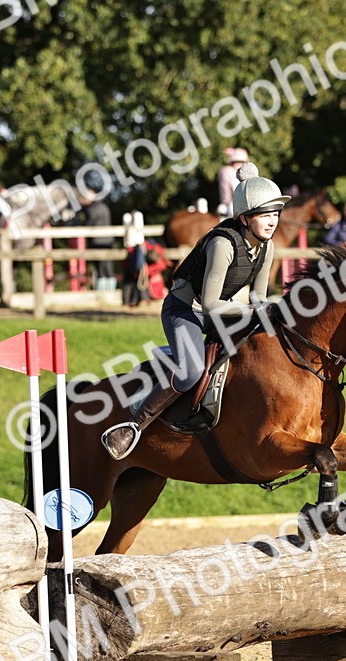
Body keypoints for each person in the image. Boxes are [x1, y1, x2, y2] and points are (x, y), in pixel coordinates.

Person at [101, 162, 288, 459]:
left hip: (218, 313)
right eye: (265, 215)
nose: (272, 221)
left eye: (275, 214)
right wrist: (252, 312)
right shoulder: (222, 244)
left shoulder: (268, 247)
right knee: (190, 372)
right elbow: (212, 304)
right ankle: (133, 424)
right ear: (244, 217)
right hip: (184, 309)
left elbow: (258, 298)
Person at [73, 188, 114, 293]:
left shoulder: (91, 210)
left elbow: (88, 225)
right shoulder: (104, 207)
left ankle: (101, 292)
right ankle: (111, 291)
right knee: (108, 267)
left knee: (99, 268)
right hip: (108, 241)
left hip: (97, 242)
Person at [216, 147, 249, 216]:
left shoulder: (224, 170)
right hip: (233, 206)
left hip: (225, 205)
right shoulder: (230, 171)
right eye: (238, 162)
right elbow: (236, 189)